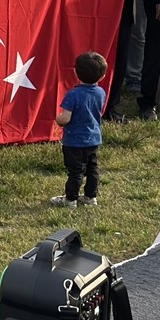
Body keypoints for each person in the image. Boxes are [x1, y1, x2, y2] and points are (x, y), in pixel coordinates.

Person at [50, 52, 107, 208]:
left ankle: (70, 199)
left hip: (74, 141)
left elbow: (66, 118)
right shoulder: (101, 92)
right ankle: (90, 197)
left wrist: (57, 119)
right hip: (94, 138)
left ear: (75, 72)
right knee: (92, 169)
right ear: (102, 76)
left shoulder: (73, 94)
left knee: (75, 172)